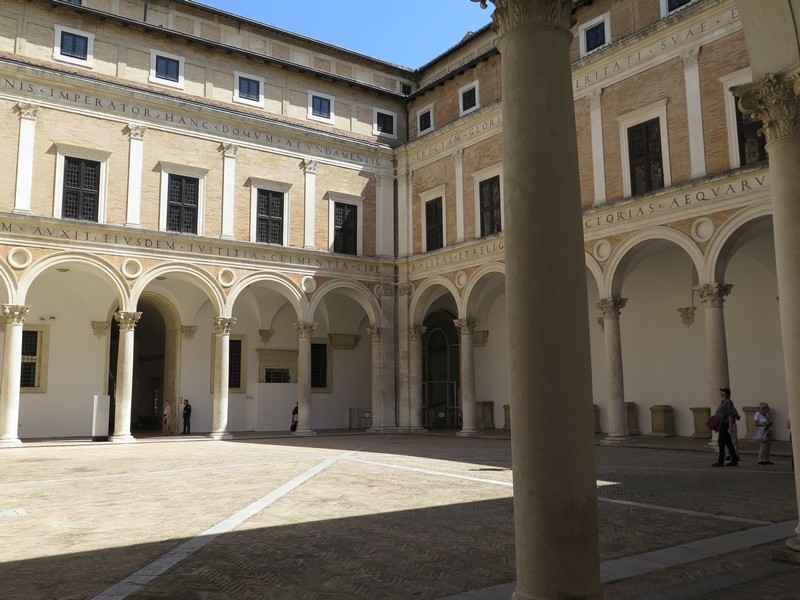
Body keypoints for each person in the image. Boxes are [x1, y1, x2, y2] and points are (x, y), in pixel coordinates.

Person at [712, 387, 739, 467]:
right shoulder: (723, 402)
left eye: (722, 392)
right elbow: (719, 416)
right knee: (728, 443)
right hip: (722, 425)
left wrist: (730, 426)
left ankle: (721, 461)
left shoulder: (728, 402)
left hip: (725, 424)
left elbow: (730, 414)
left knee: (721, 442)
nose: (720, 394)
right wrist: (717, 426)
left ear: (726, 394)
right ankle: (734, 460)